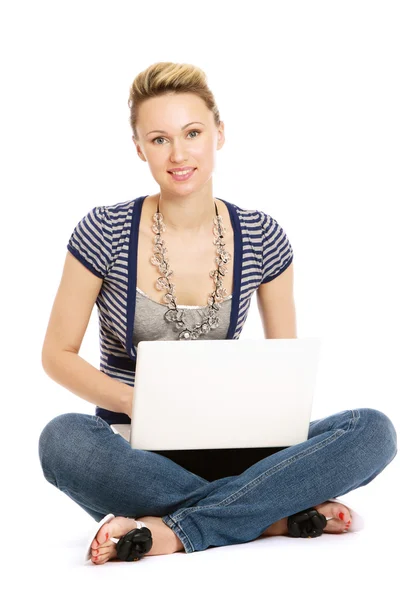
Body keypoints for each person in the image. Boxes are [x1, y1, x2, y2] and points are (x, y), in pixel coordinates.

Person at [38, 61, 397, 564]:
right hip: (135, 451)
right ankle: (267, 513)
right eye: (159, 139)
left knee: (373, 430)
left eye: (192, 133)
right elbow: (57, 354)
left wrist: (260, 417)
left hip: (239, 443)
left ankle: (174, 528)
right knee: (62, 441)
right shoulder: (104, 231)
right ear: (139, 147)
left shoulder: (263, 237)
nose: (179, 153)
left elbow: (284, 368)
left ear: (219, 134)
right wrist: (136, 401)